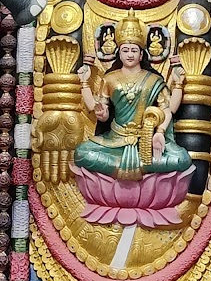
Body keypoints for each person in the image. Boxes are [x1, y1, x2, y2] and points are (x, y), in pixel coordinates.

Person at [73, 14, 188, 182]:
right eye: (125, 50)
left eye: (134, 50)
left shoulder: (153, 80)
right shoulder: (109, 79)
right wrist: (87, 88)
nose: (130, 55)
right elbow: (102, 112)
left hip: (146, 141)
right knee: (82, 153)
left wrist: (160, 133)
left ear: (141, 55)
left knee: (182, 158)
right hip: (115, 140)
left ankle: (120, 169)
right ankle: (140, 169)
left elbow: (168, 109)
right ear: (119, 53)